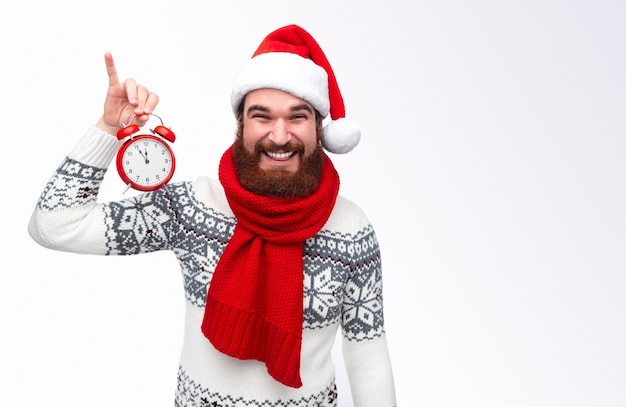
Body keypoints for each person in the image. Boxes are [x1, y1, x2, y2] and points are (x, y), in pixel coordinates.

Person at [28, 24, 397, 406]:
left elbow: (367, 356)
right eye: (262, 116)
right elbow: (54, 225)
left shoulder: (351, 229)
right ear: (241, 125)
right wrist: (108, 128)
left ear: (320, 128)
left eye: (298, 116)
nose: (280, 135)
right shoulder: (193, 207)